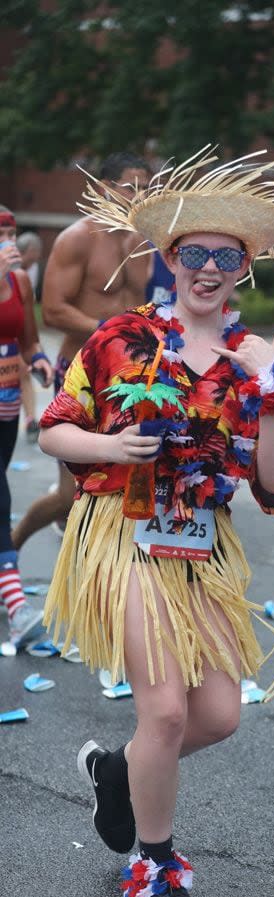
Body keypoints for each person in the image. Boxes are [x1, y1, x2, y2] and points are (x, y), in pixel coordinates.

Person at [38, 148, 274, 897]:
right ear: (171, 260)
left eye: (226, 257)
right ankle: (153, 866)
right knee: (168, 712)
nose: (208, 269)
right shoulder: (119, 337)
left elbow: (273, 486)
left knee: (216, 717)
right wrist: (111, 450)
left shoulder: (251, 364)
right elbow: (55, 432)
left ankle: (117, 772)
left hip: (203, 546)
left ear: (242, 268)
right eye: (194, 254)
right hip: (126, 538)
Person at [11, 152, 152, 551]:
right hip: (82, 371)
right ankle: (13, 544)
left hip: (132, 377)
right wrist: (112, 332)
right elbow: (53, 309)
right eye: (131, 187)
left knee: (125, 480)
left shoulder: (142, 241)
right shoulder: (78, 237)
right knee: (72, 489)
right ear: (104, 188)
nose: (140, 196)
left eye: (146, 187)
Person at [0, 206, 53, 646]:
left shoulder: (19, 284)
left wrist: (37, 361)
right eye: (1, 236)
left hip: (8, 409)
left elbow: (28, 338)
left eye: (11, 234)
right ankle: (17, 608)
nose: (9, 244)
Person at [17, 232, 44, 443]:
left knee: (25, 371)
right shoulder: (11, 269)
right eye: (34, 254)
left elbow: (29, 307)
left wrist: (36, 345)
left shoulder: (32, 270)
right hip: (9, 330)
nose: (37, 258)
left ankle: (30, 418)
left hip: (23, 330)